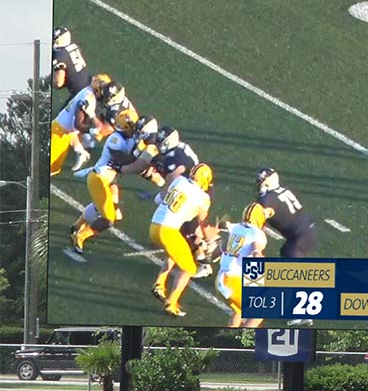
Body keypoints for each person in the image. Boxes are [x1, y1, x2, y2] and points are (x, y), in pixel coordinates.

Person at [68, 111, 163, 258]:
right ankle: (80, 236)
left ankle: (76, 225)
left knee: (106, 207)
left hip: (110, 179)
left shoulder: (131, 138)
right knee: (108, 219)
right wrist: (144, 157)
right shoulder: (115, 139)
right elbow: (124, 160)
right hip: (99, 178)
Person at [150, 163, 216, 317]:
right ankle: (171, 303)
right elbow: (204, 226)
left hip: (154, 226)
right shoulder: (203, 197)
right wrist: (214, 235)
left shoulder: (179, 180)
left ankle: (159, 283)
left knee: (176, 252)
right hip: (168, 231)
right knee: (189, 268)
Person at [216, 202, 268, 328]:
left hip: (222, 278)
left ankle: (230, 334)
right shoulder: (257, 234)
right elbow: (256, 249)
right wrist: (258, 256)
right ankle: (243, 339)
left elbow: (222, 245)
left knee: (239, 310)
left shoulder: (235, 227)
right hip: (232, 280)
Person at [50, 74, 110, 176]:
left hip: (65, 132)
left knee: (54, 169)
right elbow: (77, 125)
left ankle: (80, 152)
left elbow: (73, 127)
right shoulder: (88, 97)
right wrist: (92, 130)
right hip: (58, 132)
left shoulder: (88, 92)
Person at [256, 167, 318, 258]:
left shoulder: (267, 200)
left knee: (289, 262)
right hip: (309, 228)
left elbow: (254, 222)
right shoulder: (284, 190)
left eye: (260, 183)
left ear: (267, 183)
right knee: (285, 251)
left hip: (299, 237)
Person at [51, 27, 90, 99]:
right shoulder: (74, 46)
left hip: (80, 94)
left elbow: (59, 82)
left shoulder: (60, 54)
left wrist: (50, 83)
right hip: (89, 86)